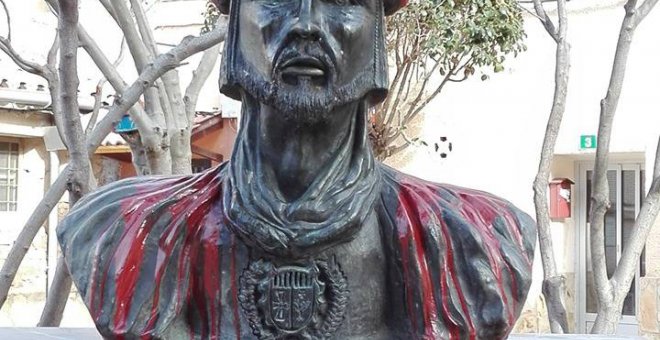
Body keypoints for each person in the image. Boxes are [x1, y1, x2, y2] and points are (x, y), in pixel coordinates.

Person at [58, 0, 536, 338]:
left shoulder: (471, 240)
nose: (306, 23)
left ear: (377, 36)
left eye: (342, 0)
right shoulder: (127, 231)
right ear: (235, 24)